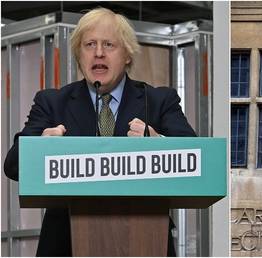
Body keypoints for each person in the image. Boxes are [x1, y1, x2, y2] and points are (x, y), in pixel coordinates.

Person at [3, 8, 195, 256]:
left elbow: (195, 159)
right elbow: (12, 165)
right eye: (89, 44)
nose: (99, 53)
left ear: (127, 54)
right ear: (78, 55)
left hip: (145, 239)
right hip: (65, 243)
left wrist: (159, 144)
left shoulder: (158, 100)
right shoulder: (52, 102)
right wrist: (39, 149)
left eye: (109, 44)